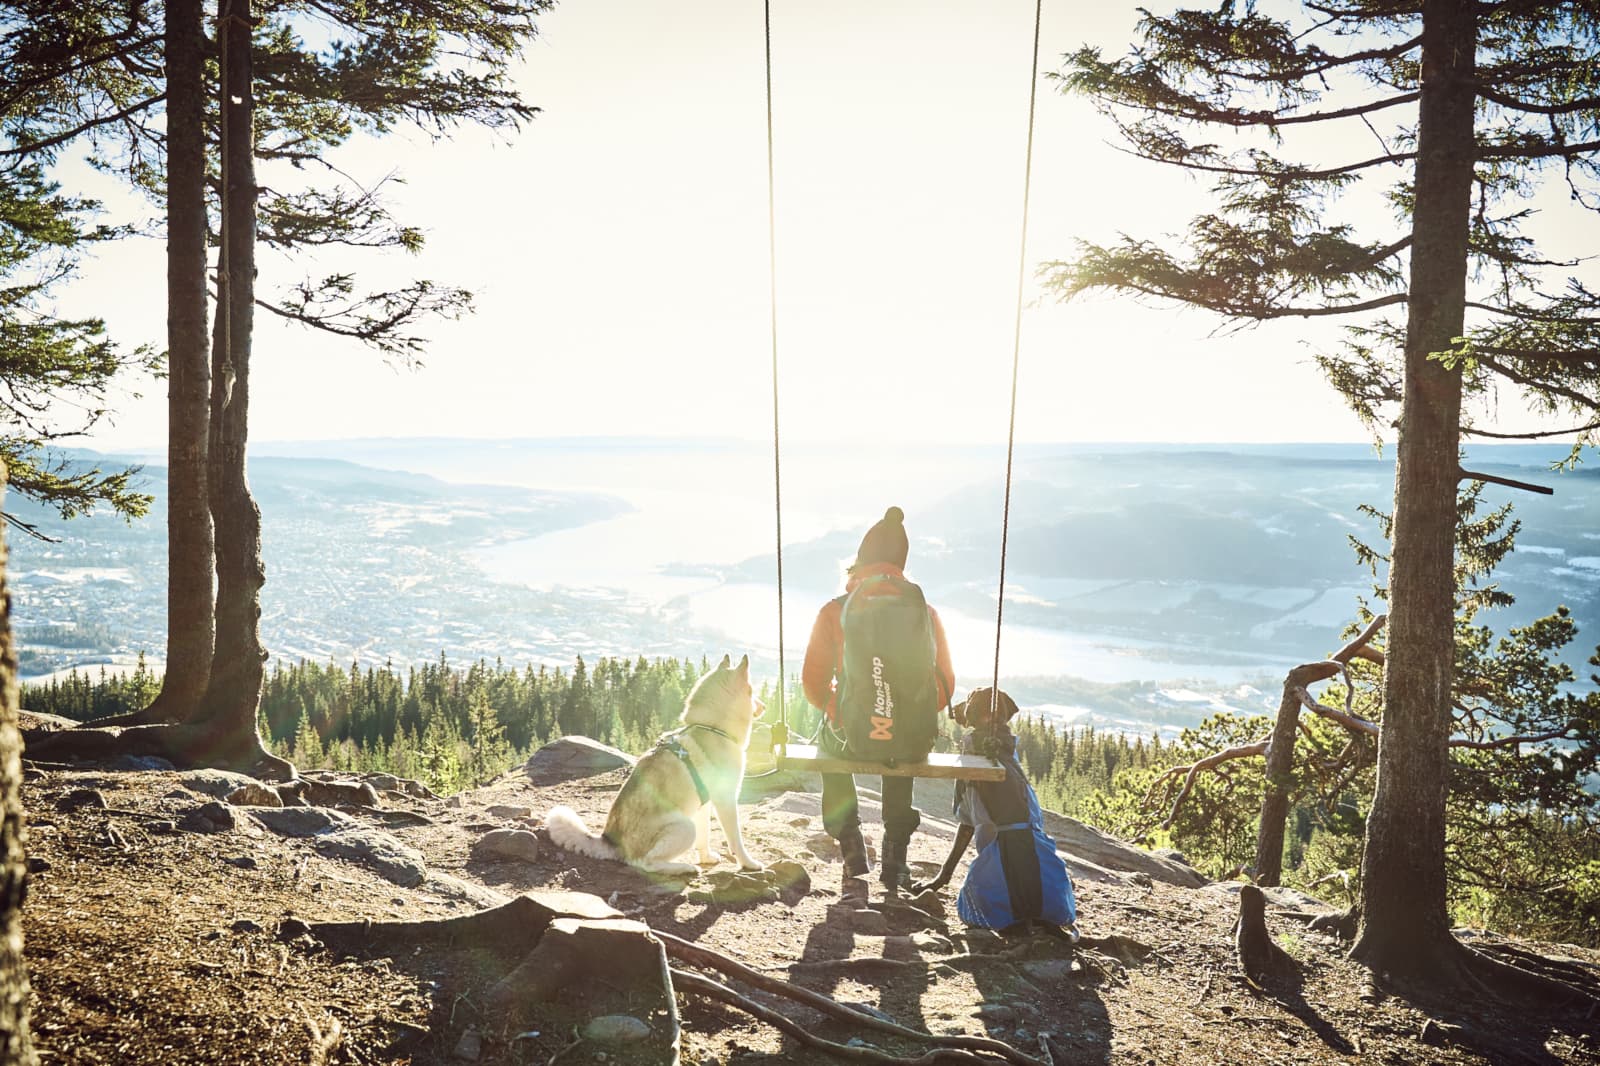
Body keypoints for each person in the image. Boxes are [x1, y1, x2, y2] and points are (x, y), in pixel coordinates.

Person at [801, 506, 955, 896]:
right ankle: (895, 858)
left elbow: (813, 684)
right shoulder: (925, 612)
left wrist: (845, 711)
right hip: (908, 739)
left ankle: (851, 846)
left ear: (858, 565)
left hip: (850, 736)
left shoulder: (834, 610)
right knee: (900, 746)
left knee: (828, 746)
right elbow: (946, 685)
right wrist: (903, 711)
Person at [909, 687, 1078, 937]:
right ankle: (1038, 916)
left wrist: (941, 879)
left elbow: (967, 824)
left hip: (1001, 880)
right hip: (1046, 888)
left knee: (978, 910)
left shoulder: (976, 753)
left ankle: (1008, 914)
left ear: (975, 716)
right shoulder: (1009, 754)